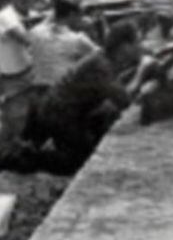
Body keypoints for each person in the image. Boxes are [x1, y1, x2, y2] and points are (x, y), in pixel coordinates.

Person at [25, 20, 156, 172]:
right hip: (59, 114)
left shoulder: (104, 57)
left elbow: (118, 83)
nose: (141, 46)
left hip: (64, 110)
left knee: (103, 122)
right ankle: (30, 157)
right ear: (124, 47)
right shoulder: (101, 66)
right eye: (137, 42)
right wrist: (143, 70)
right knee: (78, 163)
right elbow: (124, 100)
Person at [0, 0, 37, 143]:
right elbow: (27, 40)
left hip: (32, 75)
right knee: (14, 131)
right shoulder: (5, 16)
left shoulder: (34, 14)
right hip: (13, 79)